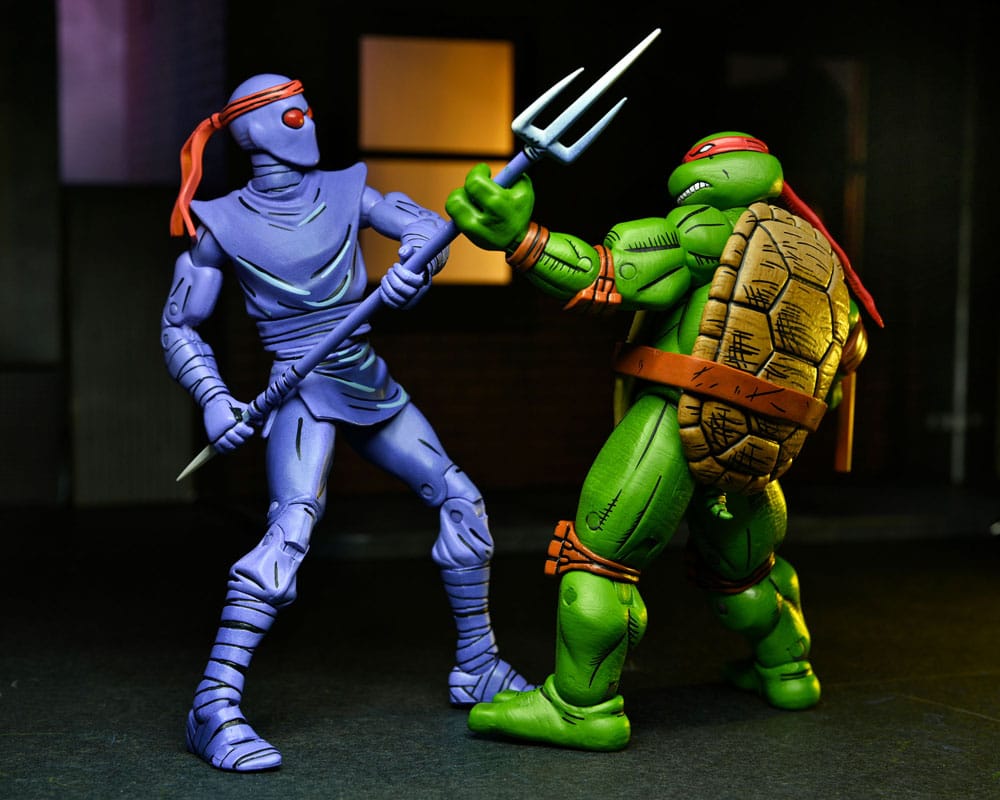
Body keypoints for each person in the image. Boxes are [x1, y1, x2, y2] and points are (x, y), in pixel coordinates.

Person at [444, 131, 880, 751]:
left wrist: (523, 238)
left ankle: (581, 708)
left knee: (598, 560)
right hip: (753, 445)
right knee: (746, 573)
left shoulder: (702, 230)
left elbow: (607, 275)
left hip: (672, 421)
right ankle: (787, 672)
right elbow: (840, 365)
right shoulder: (819, 258)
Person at [161, 74, 530, 772]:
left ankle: (478, 665)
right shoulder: (222, 224)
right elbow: (179, 326)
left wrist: (416, 268)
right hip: (300, 390)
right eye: (291, 115)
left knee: (461, 499)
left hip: (364, 377)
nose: (307, 122)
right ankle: (213, 705)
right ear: (254, 131)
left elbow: (424, 228)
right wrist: (214, 398)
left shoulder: (345, 191)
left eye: (305, 110)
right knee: (290, 532)